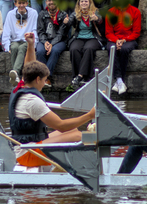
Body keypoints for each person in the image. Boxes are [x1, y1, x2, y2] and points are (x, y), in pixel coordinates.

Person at [9, 32, 95, 168]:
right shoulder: (32, 101)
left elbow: (28, 66)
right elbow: (60, 125)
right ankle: (84, 169)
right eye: (44, 80)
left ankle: (67, 166)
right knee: (78, 137)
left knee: (73, 130)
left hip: (30, 144)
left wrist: (31, 45)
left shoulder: (21, 85)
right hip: (27, 154)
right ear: (38, 79)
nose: (45, 84)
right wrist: (90, 115)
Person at [106, 0, 141, 94]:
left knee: (125, 49)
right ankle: (120, 80)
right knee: (111, 49)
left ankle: (119, 80)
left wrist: (124, 40)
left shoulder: (135, 11)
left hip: (129, 39)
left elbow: (136, 32)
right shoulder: (111, 12)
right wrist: (116, 40)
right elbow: (108, 32)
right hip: (114, 38)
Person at [69, 0, 104, 89]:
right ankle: (79, 76)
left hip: (93, 37)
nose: (84, 3)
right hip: (79, 37)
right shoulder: (76, 13)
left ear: (89, 3)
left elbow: (100, 20)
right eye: (82, 1)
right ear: (79, 3)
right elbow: (70, 21)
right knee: (74, 49)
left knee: (88, 49)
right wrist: (67, 21)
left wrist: (96, 19)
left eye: (86, 1)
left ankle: (80, 76)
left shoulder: (95, 12)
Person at [36, 0, 72, 87]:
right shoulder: (42, 14)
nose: (51, 2)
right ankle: (44, 77)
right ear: (46, 2)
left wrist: (51, 44)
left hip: (60, 41)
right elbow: (40, 31)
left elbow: (61, 34)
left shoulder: (63, 14)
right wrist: (45, 42)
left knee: (55, 50)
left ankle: (46, 77)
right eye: (49, 0)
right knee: (40, 51)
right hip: (45, 39)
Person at [2, 0, 38, 85]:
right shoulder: (10, 14)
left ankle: (15, 72)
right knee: (13, 48)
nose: (21, 5)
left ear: (27, 3)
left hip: (27, 40)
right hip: (15, 41)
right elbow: (6, 33)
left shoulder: (33, 13)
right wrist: (7, 47)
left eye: (23, 3)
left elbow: (35, 30)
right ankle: (17, 77)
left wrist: (34, 44)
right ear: (15, 4)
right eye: (19, 3)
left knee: (22, 48)